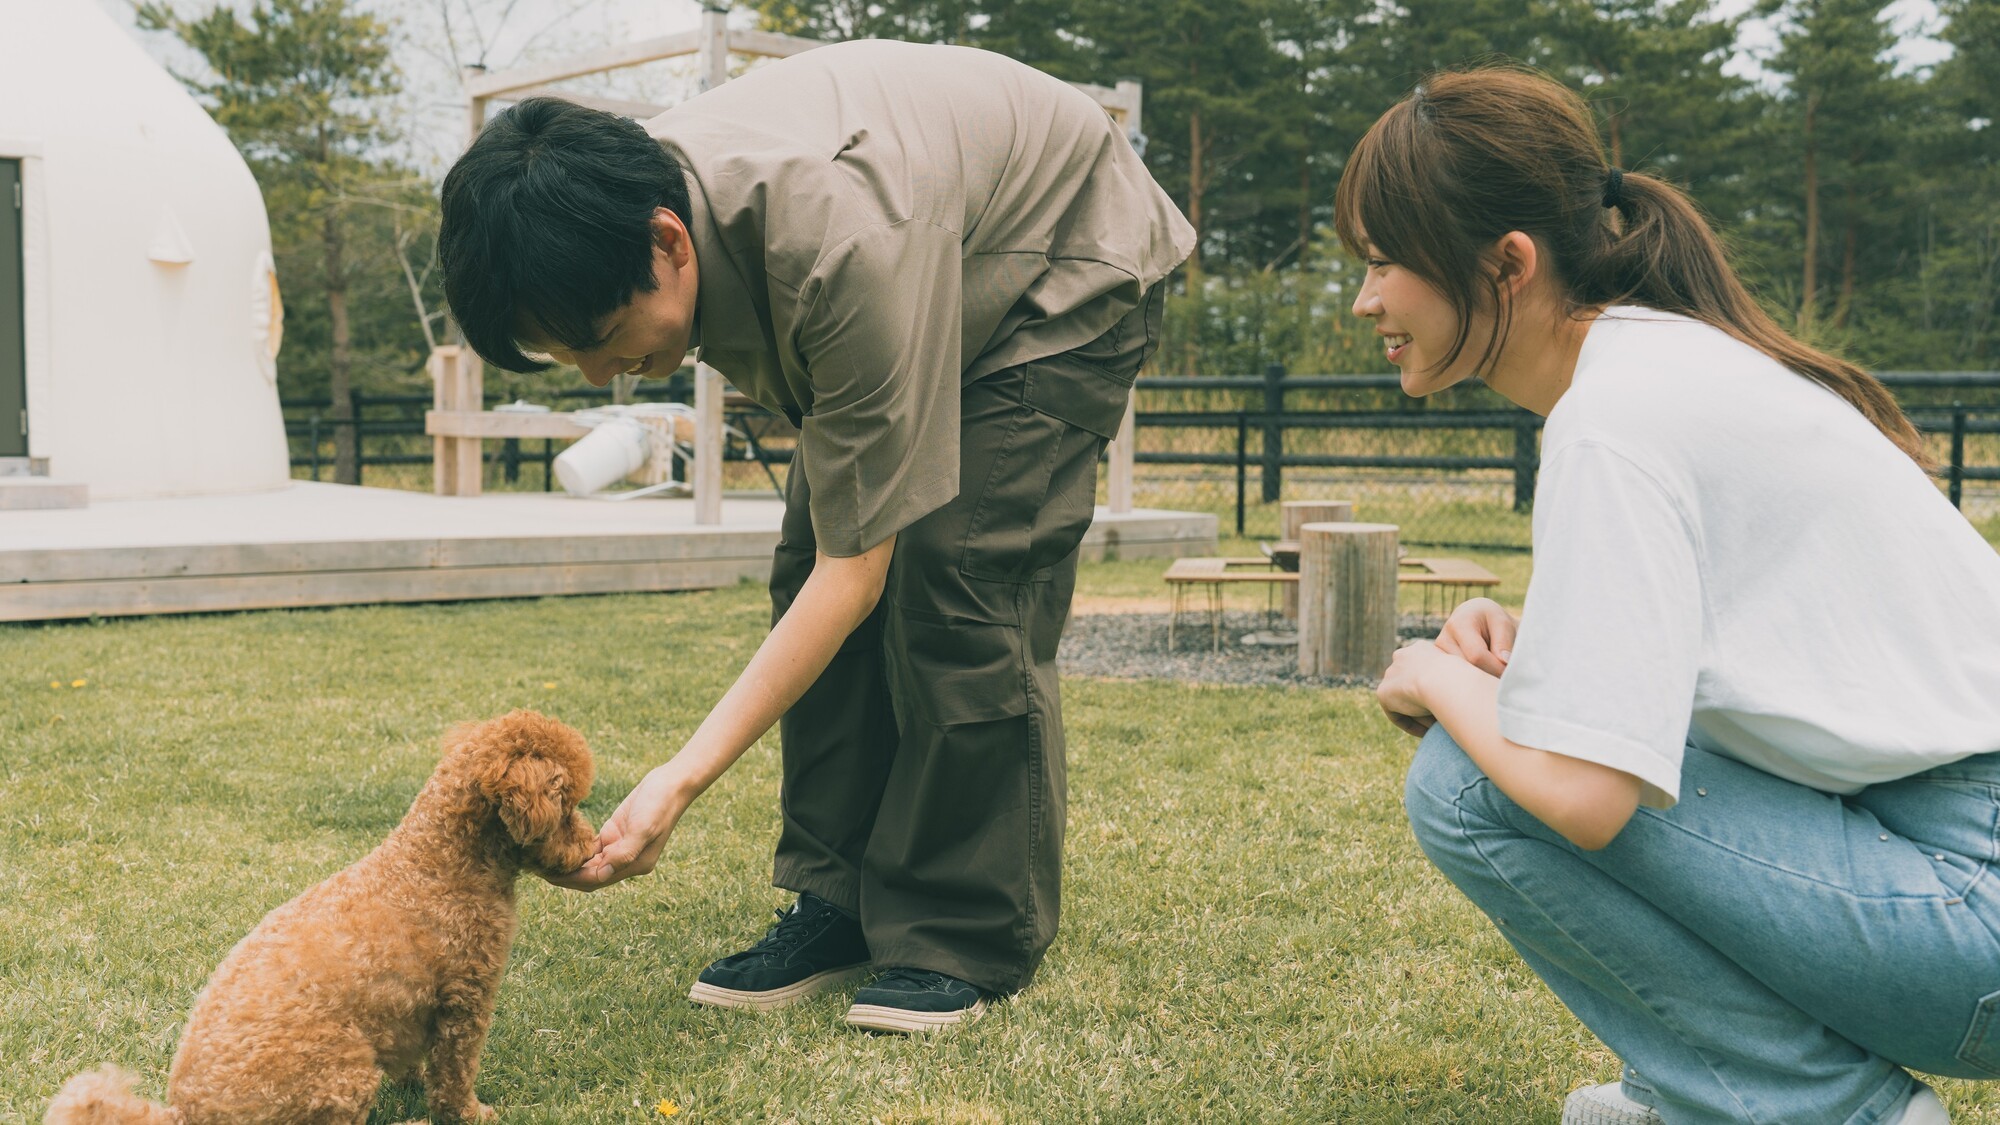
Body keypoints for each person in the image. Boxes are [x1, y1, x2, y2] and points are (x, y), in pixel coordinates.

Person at [436, 39, 1193, 1033]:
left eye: (598, 338)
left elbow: (859, 574)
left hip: (1056, 265)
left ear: (668, 243)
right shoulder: (617, 200)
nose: (595, 376)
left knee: (956, 574)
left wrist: (678, 781)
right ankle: (838, 902)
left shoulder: (836, 237)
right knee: (803, 572)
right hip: (927, 256)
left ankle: (961, 931)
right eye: (563, 353)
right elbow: (827, 570)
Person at [1341, 67, 2000, 1124]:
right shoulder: (1664, 364)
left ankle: (1828, 1111)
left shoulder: (1615, 420)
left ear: (1504, 263)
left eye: (1382, 264)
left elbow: (1583, 800)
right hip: (1957, 875)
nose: (1365, 299)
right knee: (1505, 737)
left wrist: (1427, 673)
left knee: (1462, 782)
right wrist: (1529, 642)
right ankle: (1697, 1094)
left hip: (1972, 910)